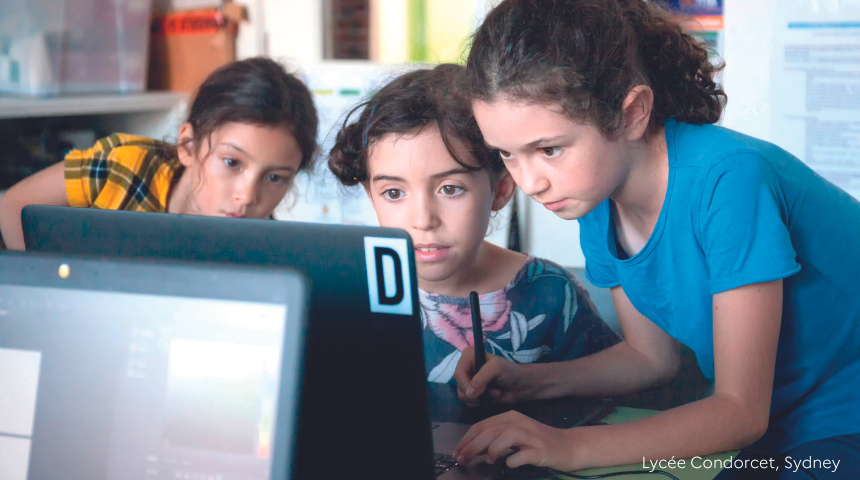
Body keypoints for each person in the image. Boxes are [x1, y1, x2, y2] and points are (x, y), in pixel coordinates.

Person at [452, 0, 860, 476]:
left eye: (549, 149)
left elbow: (740, 411)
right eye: (507, 154)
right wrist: (528, 384)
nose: (529, 182)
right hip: (786, 422)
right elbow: (651, 358)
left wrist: (569, 446)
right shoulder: (590, 195)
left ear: (632, 114)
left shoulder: (728, 180)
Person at [328, 64, 619, 383]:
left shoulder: (552, 294)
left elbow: (609, 403)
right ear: (371, 195)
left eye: (450, 189)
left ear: (501, 190)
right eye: (394, 193)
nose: (423, 220)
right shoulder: (345, 297)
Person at [0, 57, 319, 250]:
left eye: (276, 177)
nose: (247, 196)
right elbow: (12, 206)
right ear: (188, 147)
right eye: (232, 162)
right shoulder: (124, 167)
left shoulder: (268, 250)